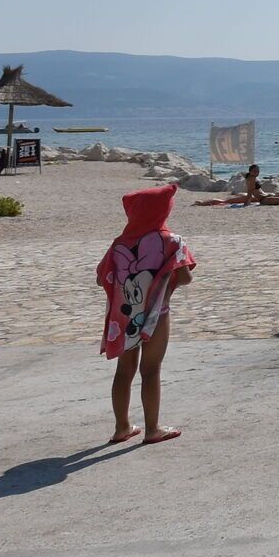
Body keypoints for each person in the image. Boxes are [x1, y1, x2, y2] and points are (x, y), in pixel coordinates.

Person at [97, 184, 193, 445]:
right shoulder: (172, 241)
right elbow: (185, 278)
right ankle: (152, 429)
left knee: (123, 370)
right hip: (156, 314)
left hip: (123, 317)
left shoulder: (119, 243)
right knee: (151, 370)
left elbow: (101, 278)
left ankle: (122, 427)